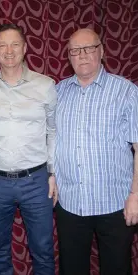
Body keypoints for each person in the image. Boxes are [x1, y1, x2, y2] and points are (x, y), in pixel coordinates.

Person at [0, 23, 58, 275]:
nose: (9, 50)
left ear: (25, 48)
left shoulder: (45, 85)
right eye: (2, 45)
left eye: (15, 44)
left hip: (37, 181)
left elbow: (53, 131)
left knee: (42, 250)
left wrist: (52, 172)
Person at [55, 28, 138, 275]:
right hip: (71, 203)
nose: (82, 55)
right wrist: (52, 175)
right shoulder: (57, 93)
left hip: (114, 204)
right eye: (75, 51)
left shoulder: (126, 92)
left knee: (116, 269)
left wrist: (136, 194)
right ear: (69, 56)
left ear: (101, 51)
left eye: (89, 48)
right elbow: (51, 141)